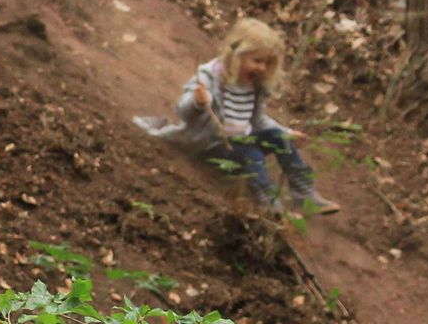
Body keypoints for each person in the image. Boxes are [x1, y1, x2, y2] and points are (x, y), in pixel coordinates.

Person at [135, 18, 339, 215]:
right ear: (237, 54)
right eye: (256, 60)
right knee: (250, 151)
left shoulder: (256, 86)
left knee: (279, 139)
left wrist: (285, 132)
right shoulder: (211, 75)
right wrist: (197, 102)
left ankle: (304, 194)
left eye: (267, 63)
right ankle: (267, 202)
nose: (261, 68)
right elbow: (183, 112)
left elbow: (257, 121)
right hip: (211, 145)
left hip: (239, 144)